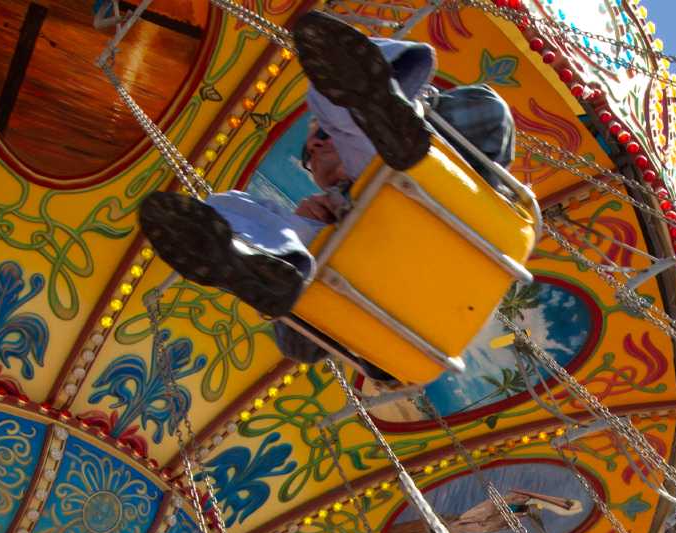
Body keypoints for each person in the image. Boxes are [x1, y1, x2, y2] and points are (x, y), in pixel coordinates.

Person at [137, 12, 516, 372]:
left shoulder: (389, 155)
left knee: (333, 105)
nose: (315, 147)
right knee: (235, 205)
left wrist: (425, 110)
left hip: (432, 192)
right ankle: (274, 261)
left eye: (320, 136)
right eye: (307, 153)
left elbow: (489, 118)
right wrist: (305, 231)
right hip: (366, 273)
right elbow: (298, 347)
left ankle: (391, 110)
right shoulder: (319, 228)